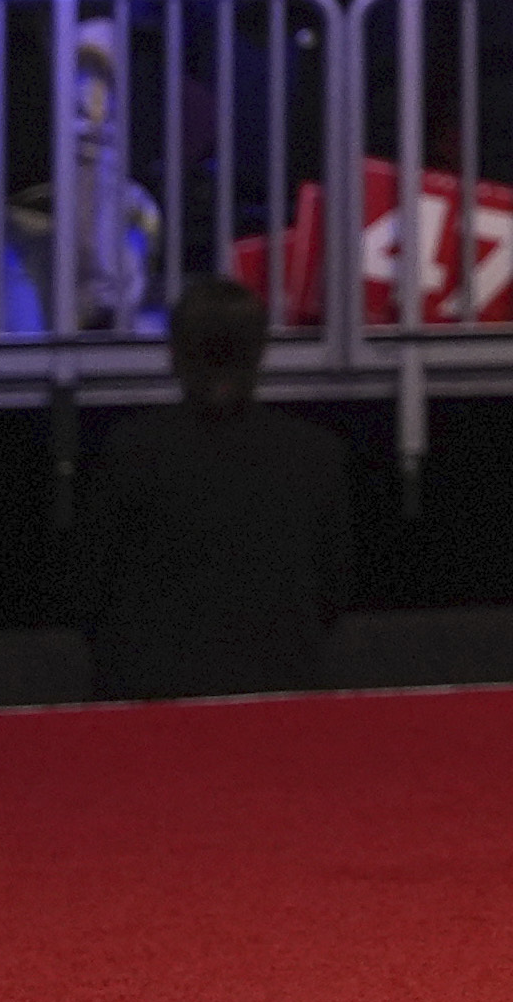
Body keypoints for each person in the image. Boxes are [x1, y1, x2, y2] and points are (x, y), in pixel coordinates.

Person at [62, 278, 354, 702]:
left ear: (175, 355)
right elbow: (333, 590)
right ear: (259, 354)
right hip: (282, 696)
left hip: (150, 699)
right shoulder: (315, 454)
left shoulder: (130, 452)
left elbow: (89, 586)